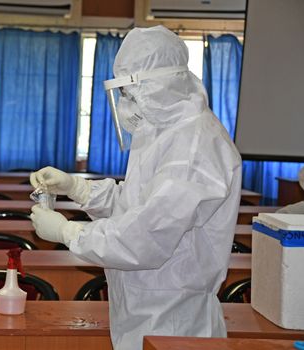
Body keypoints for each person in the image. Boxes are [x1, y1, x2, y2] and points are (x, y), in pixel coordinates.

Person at [30, 26, 242, 350]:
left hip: (175, 319)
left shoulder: (195, 145)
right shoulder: (161, 131)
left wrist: (68, 233)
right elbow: (137, 204)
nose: (126, 103)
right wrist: (77, 188)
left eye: (130, 92)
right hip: (143, 309)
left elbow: (143, 238)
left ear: (158, 85)